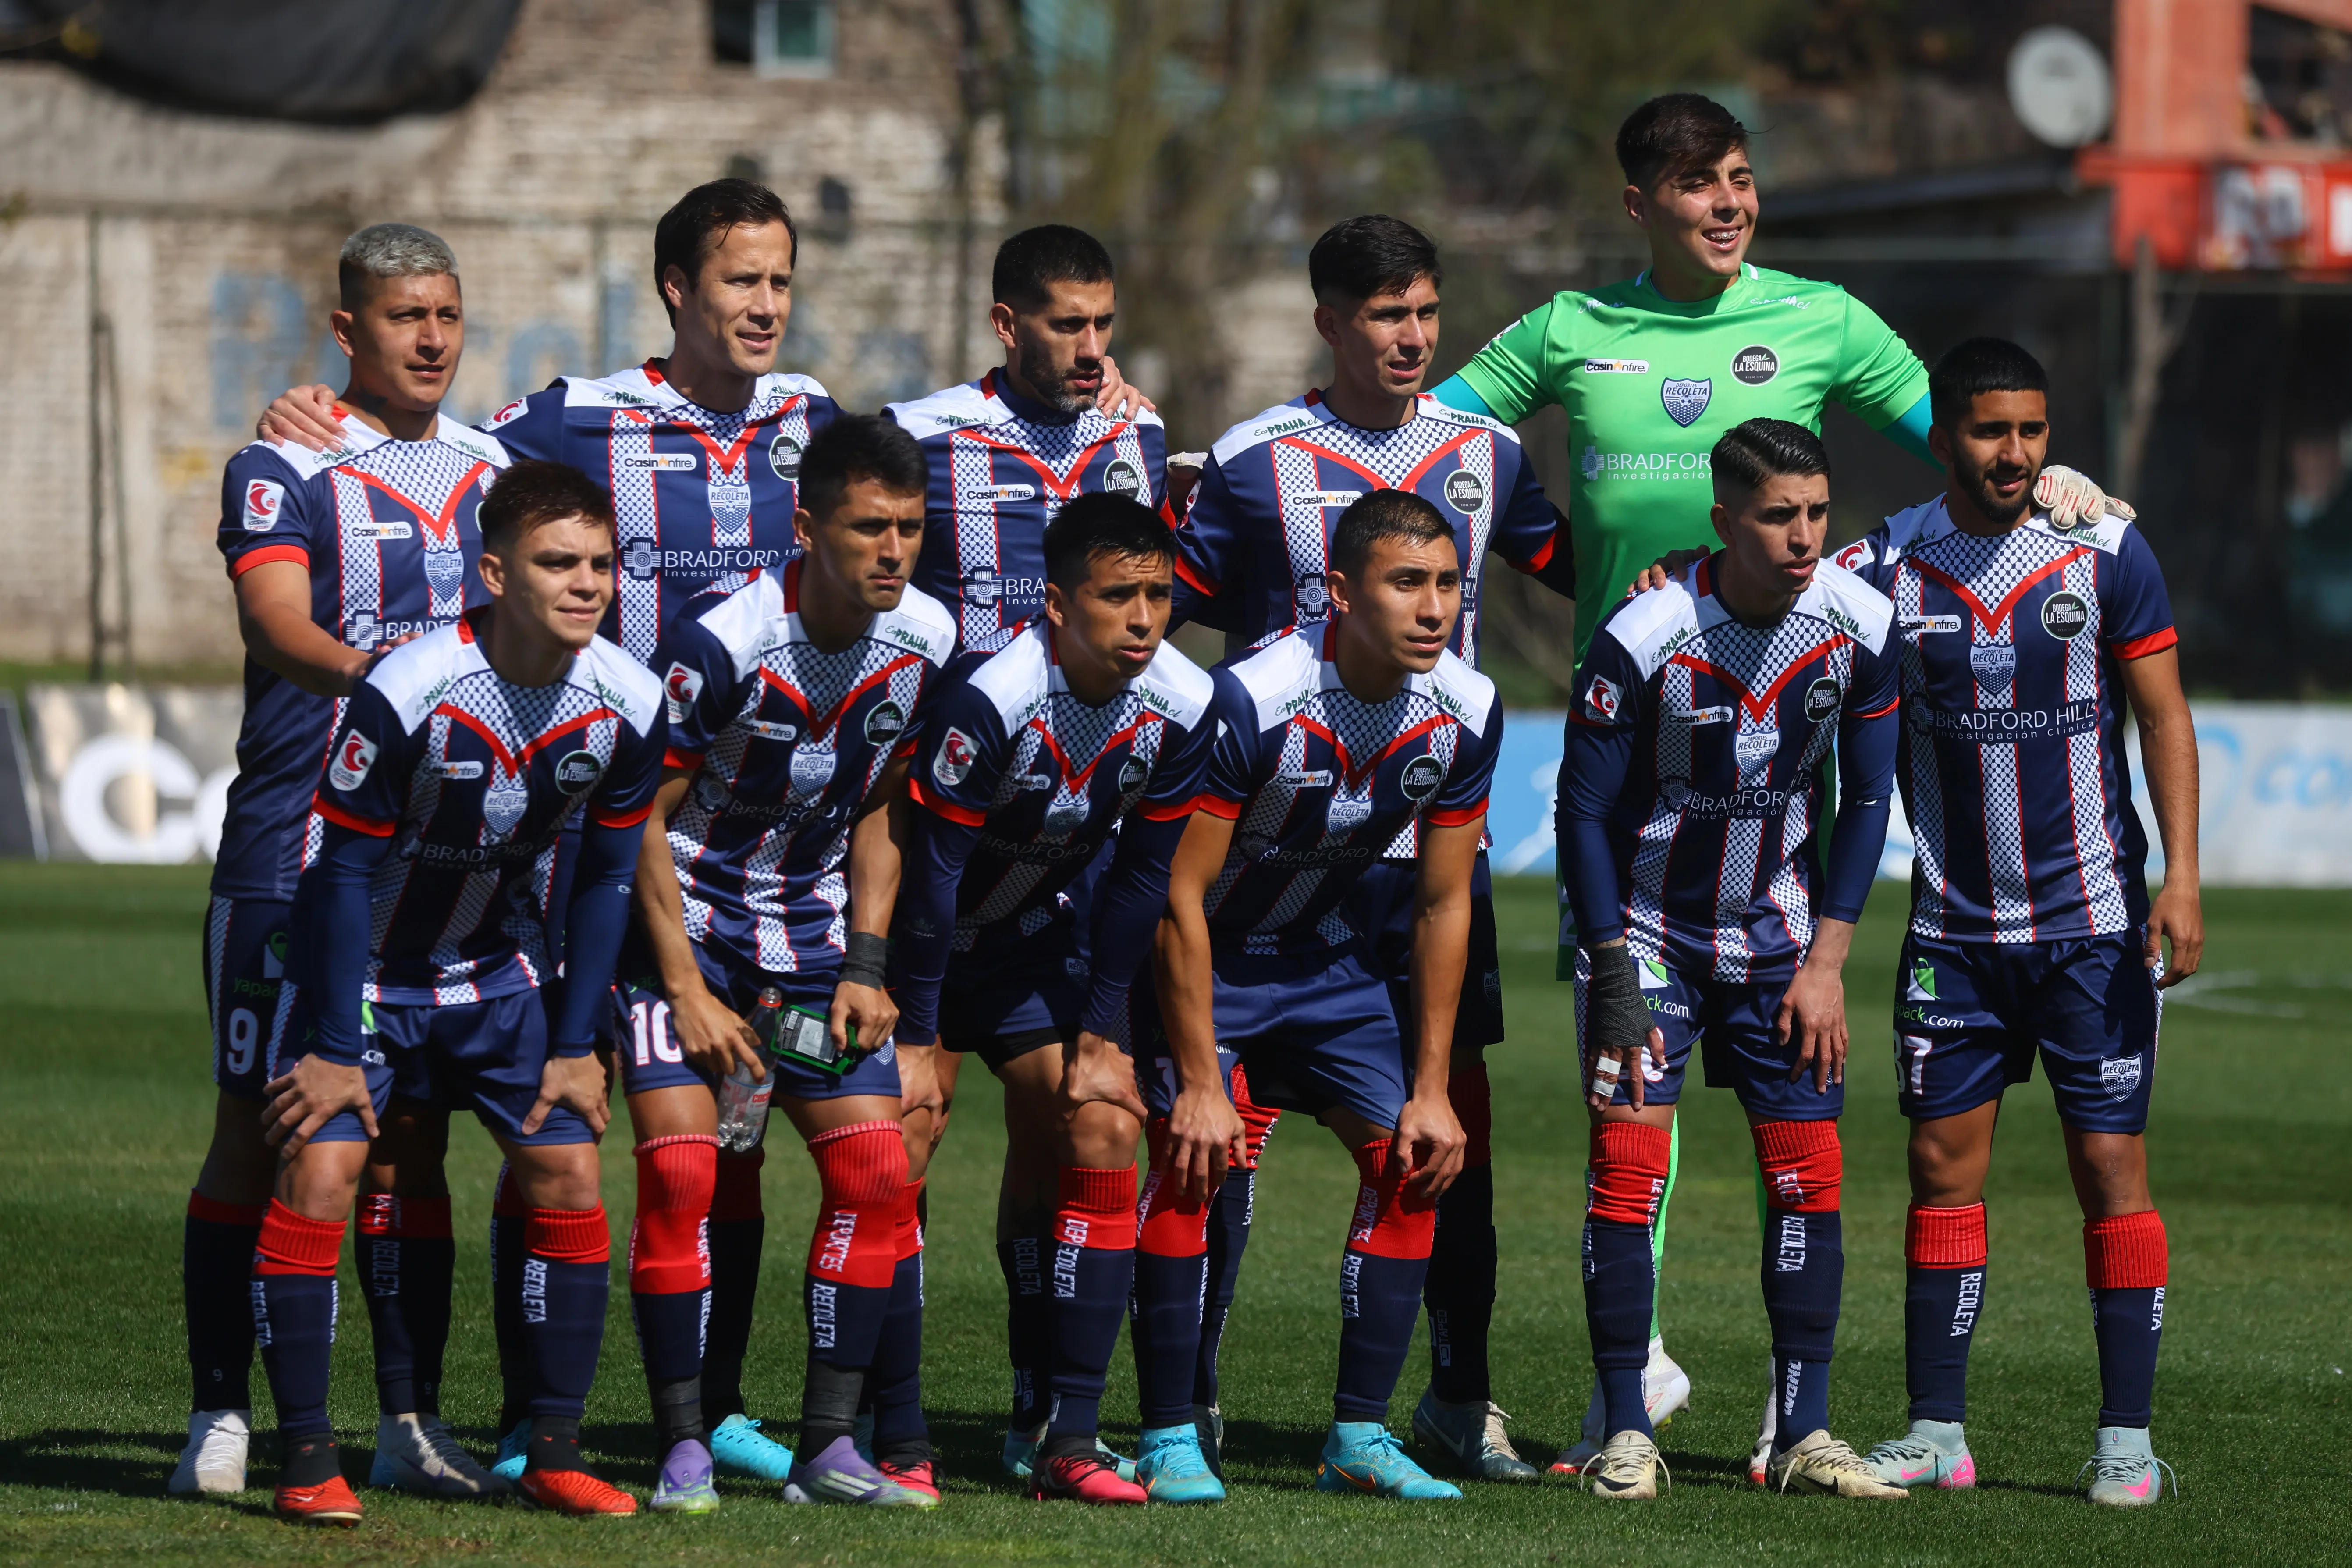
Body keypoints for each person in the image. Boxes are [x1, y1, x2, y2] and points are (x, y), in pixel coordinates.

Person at [1427, 92, 2123, 1475]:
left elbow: (1969, 429)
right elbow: (1435, 439)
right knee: (1633, 1083)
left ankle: (1785, 1413)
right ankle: (1636, 1378)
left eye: (1741, 178)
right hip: (1633, 756)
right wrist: (1570, 563)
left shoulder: (1822, 318)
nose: (1729, 203)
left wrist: (2054, 483)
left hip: (1778, 765)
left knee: (1782, 1094)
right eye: (1697, 186)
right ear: (1642, 207)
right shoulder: (1573, 329)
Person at [1169, 213, 1572, 1481]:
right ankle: (1193, 1401)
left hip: (1420, 852)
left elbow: (1572, 556)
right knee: (1221, 1149)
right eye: (1385, 315)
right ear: (1328, 321)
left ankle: (1457, 1401)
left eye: (1424, 312)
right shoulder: (1250, 462)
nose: (1411, 338)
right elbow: (1153, 599)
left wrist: (1696, 558)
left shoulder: (1486, 451)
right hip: (1266, 855)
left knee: (1447, 1134)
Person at [252, 460, 666, 1524]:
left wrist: (578, 1042)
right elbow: (340, 872)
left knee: (570, 1173)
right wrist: (338, 1046)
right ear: (492, 572)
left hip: (497, 976)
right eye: (556, 563)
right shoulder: (410, 686)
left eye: (601, 566)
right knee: (325, 1176)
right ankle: (306, 1461)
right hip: (363, 981)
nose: (586, 585)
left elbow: (609, 877)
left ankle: (557, 1452)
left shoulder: (629, 697)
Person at [173, 223, 512, 1500]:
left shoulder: (498, 464)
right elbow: (275, 619)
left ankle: (404, 1420)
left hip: (439, 861)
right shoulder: (286, 460)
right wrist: (414, 682)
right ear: (347, 330)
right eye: (403, 316)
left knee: (406, 1139)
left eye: (447, 313)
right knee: (261, 1134)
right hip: (292, 848)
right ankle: (220, 1410)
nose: (430, 337)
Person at [1832, 340, 2199, 1505]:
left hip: (2091, 929)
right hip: (1950, 930)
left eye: (2032, 431)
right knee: (1939, 1167)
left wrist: (2180, 876)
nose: (2014, 453)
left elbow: (2161, 713)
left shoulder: (2103, 550)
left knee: (2107, 1167)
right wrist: (1666, 581)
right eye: (1989, 431)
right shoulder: (1885, 563)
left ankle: (2123, 1444)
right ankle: (1935, 1430)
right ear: (1941, 433)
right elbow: (1766, 574)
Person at [1560, 418, 1901, 1502]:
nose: (1802, 537)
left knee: (1807, 1182)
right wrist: (1610, 968)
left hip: (1783, 948)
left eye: (1814, 513)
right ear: (1723, 522)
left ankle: (1802, 1434)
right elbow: (1580, 810)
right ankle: (1624, 1429)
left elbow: (1866, 801)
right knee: (1626, 1174)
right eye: (1775, 517)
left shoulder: (1858, 622)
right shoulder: (1648, 628)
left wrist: (1828, 961)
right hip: (1650, 936)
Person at [624, 414, 956, 1508]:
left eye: (908, 528)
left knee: (873, 1171)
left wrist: (866, 961)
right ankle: (681, 1447)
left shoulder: (925, 639)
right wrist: (683, 990)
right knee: (684, 1170)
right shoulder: (722, 644)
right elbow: (638, 820)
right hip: (686, 941)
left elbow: (878, 810)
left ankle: (827, 1449)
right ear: (806, 527)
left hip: (811, 950)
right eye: (869, 528)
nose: (893, 550)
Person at [1157, 490, 1500, 1501]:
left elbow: (1443, 906)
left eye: (1445, 583)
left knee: (1413, 1160)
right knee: (1193, 1159)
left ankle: (1356, 1436)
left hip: (1332, 963)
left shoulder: (1465, 710)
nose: (1432, 607)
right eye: (1407, 584)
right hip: (1212, 962)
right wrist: (1196, 1073)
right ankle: (1173, 1427)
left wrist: (1431, 1087)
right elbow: (1177, 893)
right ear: (1341, 593)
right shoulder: (1252, 700)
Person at [892, 493, 1220, 1504]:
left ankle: (1061, 1428)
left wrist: (1097, 1033)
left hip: (1034, 944)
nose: (1141, 618)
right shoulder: (992, 698)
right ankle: (892, 1428)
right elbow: (932, 874)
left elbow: (1141, 880)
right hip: (926, 946)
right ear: (1055, 605)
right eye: (1116, 596)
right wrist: (913, 1032)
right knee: (902, 1134)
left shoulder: (1184, 701)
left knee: (1100, 1125)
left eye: (1158, 596)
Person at [890, 225, 1169, 651]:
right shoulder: (918, 437)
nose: (1093, 349)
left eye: (1103, 323)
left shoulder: (1140, 431)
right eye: (1068, 325)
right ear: (1006, 325)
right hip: (964, 713)